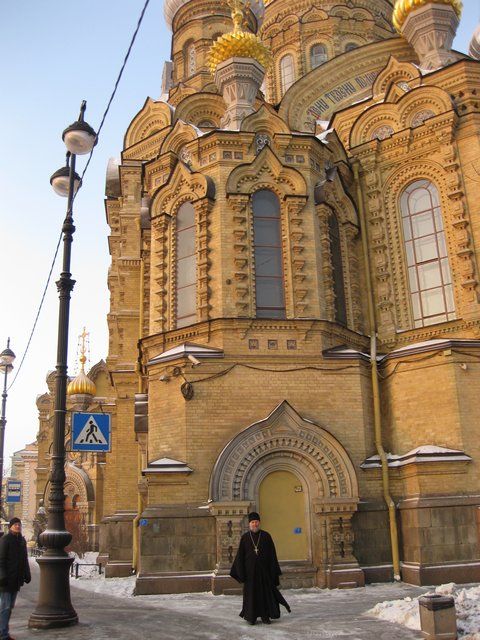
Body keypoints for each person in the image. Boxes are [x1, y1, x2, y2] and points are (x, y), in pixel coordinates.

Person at [230, 511, 290, 625]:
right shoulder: (245, 538)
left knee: (264, 595)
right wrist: (241, 573)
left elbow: (272, 555)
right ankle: (251, 617)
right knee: (251, 596)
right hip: (250, 574)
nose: (255, 524)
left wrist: (273, 572)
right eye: (252, 522)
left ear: (259, 523)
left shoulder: (266, 536)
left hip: (264, 573)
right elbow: (240, 557)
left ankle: (265, 616)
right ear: (249, 524)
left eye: (256, 522)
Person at [0, 518, 31, 640]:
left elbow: (24, 559)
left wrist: (27, 574)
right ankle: (2, 634)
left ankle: (4, 632)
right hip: (6, 580)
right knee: (5, 607)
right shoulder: (5, 540)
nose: (17, 526)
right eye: (15, 525)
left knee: (10, 607)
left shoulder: (21, 541)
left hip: (16, 580)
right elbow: (1, 560)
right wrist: (2, 576)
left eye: (19, 524)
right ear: (10, 527)